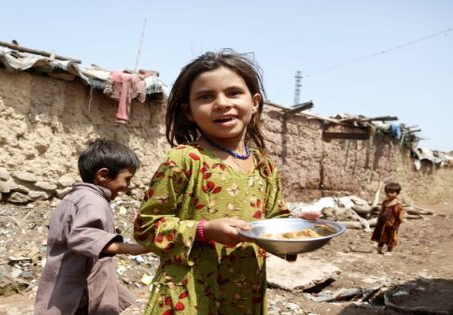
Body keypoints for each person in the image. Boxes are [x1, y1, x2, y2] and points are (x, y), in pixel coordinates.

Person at [133, 49, 319, 314]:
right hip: (189, 295)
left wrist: (299, 228)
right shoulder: (184, 160)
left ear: (254, 102)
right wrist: (203, 230)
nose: (221, 103)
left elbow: (273, 225)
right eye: (206, 97)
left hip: (243, 294)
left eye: (233, 93)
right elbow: (146, 227)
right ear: (188, 111)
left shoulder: (263, 166)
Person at [34, 138, 149, 315]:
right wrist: (134, 249)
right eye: (127, 179)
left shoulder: (77, 197)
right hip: (78, 292)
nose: (128, 186)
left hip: (69, 284)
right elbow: (81, 237)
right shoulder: (91, 201)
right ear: (103, 175)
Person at [371, 182, 404, 255]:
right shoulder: (385, 202)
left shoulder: (398, 204)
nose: (389, 194)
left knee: (391, 237)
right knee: (381, 235)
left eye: (392, 192)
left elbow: (400, 215)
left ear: (397, 193)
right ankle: (379, 249)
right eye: (387, 192)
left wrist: (397, 224)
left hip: (392, 224)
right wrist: (379, 218)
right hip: (382, 222)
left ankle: (389, 250)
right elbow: (382, 211)